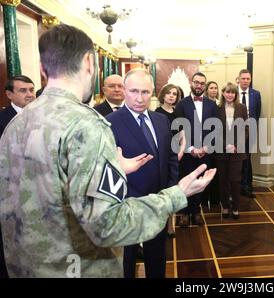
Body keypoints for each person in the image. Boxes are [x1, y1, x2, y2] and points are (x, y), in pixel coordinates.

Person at [0, 24, 215, 278]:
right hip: (78, 267)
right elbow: (106, 225)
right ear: (90, 63)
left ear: (43, 69)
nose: (139, 97)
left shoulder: (16, 124)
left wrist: (113, 169)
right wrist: (177, 194)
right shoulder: (87, 124)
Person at [106, 69, 178, 278]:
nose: (139, 98)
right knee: (126, 261)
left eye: (145, 92)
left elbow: (171, 158)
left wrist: (169, 193)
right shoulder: (109, 122)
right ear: (125, 91)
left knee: (157, 256)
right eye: (134, 91)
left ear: (153, 92)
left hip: (158, 202)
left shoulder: (161, 120)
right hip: (127, 206)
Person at [0, 75, 36, 278]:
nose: (30, 94)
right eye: (23, 90)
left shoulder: (41, 117)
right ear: (9, 94)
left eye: (31, 89)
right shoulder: (2, 120)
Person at [174, 72, 218, 227]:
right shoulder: (182, 104)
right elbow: (179, 129)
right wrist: (191, 148)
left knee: (201, 182)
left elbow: (215, 128)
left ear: (204, 86)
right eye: (196, 82)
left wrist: (206, 147)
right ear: (191, 83)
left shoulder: (212, 105)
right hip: (187, 152)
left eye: (201, 83)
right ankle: (185, 212)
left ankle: (196, 211)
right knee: (186, 181)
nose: (199, 85)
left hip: (205, 151)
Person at [155, 83, 185, 237]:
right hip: (161, 157)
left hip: (176, 156)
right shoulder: (156, 113)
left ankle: (171, 224)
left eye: (174, 93)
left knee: (173, 189)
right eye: (169, 93)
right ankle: (161, 222)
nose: (172, 96)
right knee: (162, 190)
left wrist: (180, 152)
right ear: (163, 95)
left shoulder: (177, 114)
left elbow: (182, 136)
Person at [215, 83, 248, 219]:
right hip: (221, 151)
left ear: (236, 94)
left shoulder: (242, 108)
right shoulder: (217, 109)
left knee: (235, 180)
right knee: (223, 181)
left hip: (237, 151)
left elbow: (246, 129)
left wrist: (235, 145)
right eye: (227, 92)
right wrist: (225, 145)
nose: (230, 95)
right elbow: (214, 130)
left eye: (232, 92)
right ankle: (225, 207)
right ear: (223, 93)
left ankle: (235, 207)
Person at [237, 69, 261, 199]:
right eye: (243, 78)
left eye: (248, 79)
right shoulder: (232, 92)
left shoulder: (256, 94)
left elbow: (257, 113)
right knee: (235, 159)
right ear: (238, 79)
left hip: (249, 133)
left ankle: (246, 186)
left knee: (247, 159)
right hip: (234, 133)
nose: (246, 81)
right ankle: (235, 186)